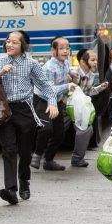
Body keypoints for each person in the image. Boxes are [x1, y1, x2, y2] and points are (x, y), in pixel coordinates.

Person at [0, 30, 59, 205]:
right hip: (4, 110)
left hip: (25, 110)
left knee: (25, 151)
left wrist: (52, 103)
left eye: (14, 42)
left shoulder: (31, 64)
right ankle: (11, 190)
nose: (9, 45)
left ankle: (24, 181)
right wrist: (0, 74)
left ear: (22, 46)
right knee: (8, 150)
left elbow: (45, 85)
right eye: (8, 41)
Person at [31, 36, 78, 171]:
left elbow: (68, 70)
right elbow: (49, 90)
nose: (65, 51)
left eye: (67, 48)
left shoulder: (65, 62)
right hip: (43, 100)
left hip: (57, 101)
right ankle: (37, 154)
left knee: (59, 133)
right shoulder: (49, 67)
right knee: (46, 128)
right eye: (61, 48)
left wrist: (74, 73)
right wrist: (67, 86)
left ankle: (49, 160)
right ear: (53, 50)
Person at [69, 49, 109, 167]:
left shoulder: (92, 75)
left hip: (79, 108)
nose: (96, 62)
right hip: (68, 106)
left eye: (96, 60)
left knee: (87, 129)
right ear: (82, 62)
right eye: (92, 60)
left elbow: (89, 91)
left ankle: (77, 158)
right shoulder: (74, 73)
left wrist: (101, 87)